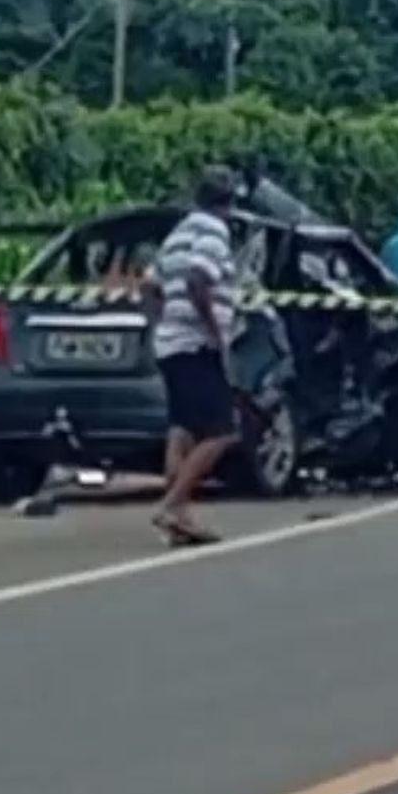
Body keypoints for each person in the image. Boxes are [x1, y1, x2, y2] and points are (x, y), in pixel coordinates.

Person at [139, 166, 244, 545]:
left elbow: (149, 284)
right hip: (197, 344)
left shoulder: (178, 234)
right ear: (229, 202)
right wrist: (214, 332)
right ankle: (171, 505)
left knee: (182, 428)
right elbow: (198, 279)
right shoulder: (214, 231)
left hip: (171, 343)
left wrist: (161, 321)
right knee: (222, 431)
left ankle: (180, 516)